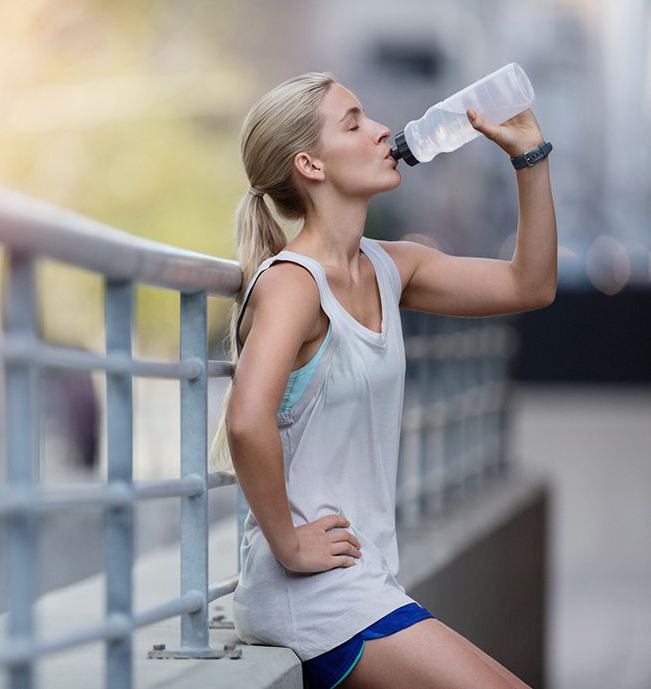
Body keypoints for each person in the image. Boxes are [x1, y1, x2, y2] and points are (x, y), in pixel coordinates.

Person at [207, 71, 556, 689]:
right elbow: (243, 417)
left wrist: (527, 153)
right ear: (310, 165)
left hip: (365, 585)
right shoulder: (293, 283)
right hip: (314, 600)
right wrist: (288, 544)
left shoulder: (391, 266)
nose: (382, 131)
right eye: (354, 122)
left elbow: (530, 285)